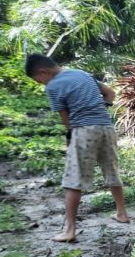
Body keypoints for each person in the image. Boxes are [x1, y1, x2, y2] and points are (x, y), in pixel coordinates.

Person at [25, 54, 129, 242]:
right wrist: (102, 109)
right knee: (112, 170)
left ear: (43, 71)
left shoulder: (53, 86)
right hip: (106, 128)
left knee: (74, 178)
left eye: (38, 80)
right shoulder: (81, 73)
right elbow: (110, 93)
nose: (40, 83)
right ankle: (122, 213)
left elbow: (67, 120)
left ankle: (70, 230)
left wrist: (70, 137)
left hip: (83, 130)